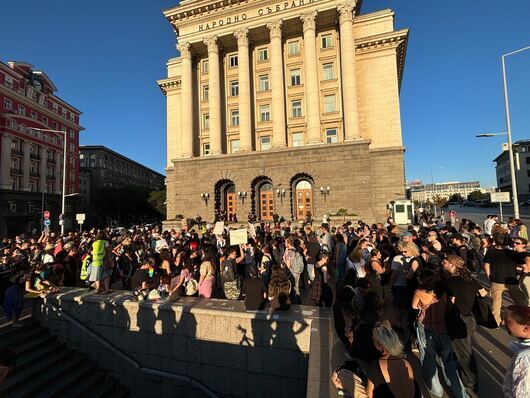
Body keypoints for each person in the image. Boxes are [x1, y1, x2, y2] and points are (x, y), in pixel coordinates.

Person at [412, 269, 467, 398]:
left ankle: (436, 389)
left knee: (428, 359)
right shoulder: (444, 292)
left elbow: (414, 306)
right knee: (448, 362)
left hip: (426, 327)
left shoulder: (419, 292)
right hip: (443, 329)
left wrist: (423, 306)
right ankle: (460, 393)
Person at [443, 254, 487, 397]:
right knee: (464, 350)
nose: (443, 263)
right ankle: (468, 380)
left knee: (464, 353)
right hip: (470, 318)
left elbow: (451, 302)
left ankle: (470, 386)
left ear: (452, 265)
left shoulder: (451, 282)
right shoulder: (469, 278)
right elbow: (483, 292)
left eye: (445, 261)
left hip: (459, 320)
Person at [366, 320, 420, 398]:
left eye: (374, 339)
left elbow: (369, 394)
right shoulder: (406, 362)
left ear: (381, 345)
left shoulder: (375, 365)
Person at [483, 233, 528, 325]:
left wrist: (489, 276)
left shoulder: (490, 252)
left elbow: (486, 265)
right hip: (512, 281)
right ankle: (522, 320)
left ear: (495, 242)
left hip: (497, 281)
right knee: (520, 302)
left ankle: (496, 322)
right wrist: (520, 280)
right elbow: (525, 268)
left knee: (496, 303)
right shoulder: (513, 253)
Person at [503, 305, 530, 398]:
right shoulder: (518, 349)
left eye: (508, 321)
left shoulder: (524, 357)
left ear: (526, 328)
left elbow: (520, 394)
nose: (503, 323)